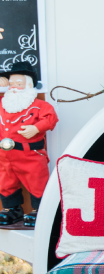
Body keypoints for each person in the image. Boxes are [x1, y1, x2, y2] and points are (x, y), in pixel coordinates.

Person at [0, 68, 58, 228]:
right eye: (10, 83)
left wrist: (36, 128)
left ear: (29, 84)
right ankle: (12, 209)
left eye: (19, 83)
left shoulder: (39, 105)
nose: (13, 87)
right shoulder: (3, 104)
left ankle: (40, 210)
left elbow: (51, 118)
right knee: (5, 183)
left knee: (37, 181)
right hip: (4, 155)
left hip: (29, 153)